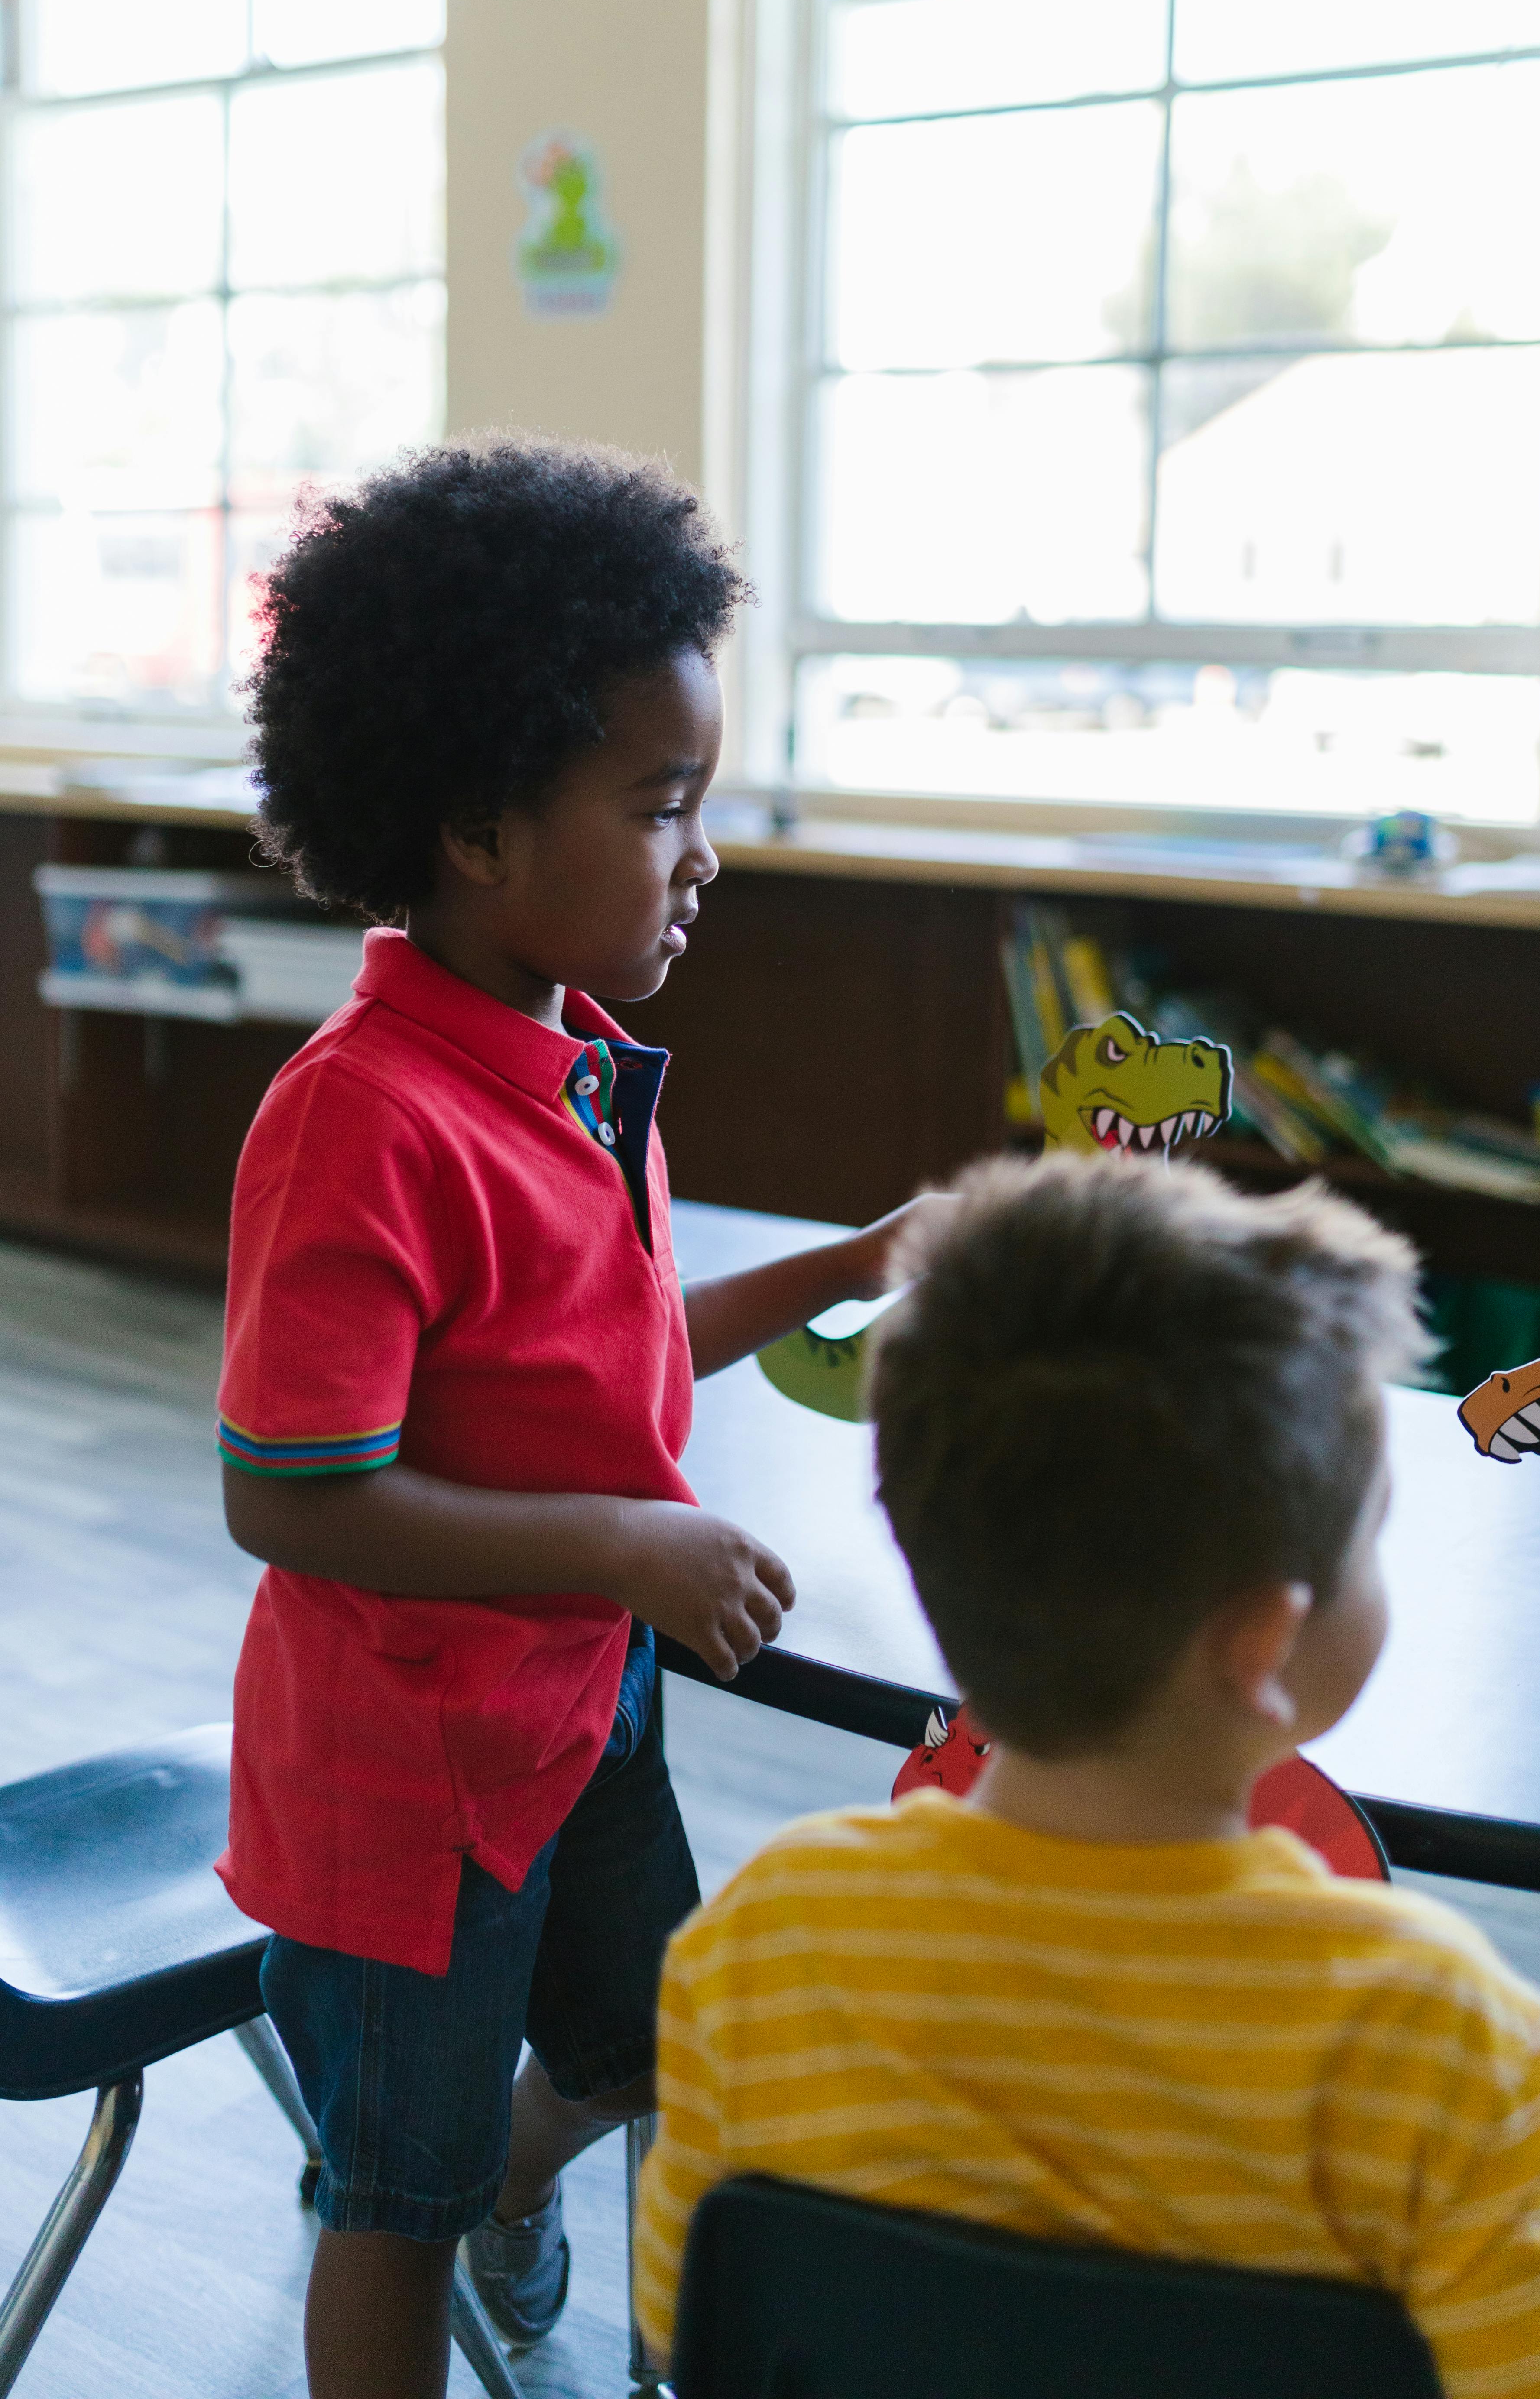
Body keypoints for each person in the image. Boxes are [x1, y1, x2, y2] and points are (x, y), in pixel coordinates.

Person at [217, 437, 940, 2399]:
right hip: (405, 1781)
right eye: (663, 804)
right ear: (477, 828)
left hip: (575, 1713)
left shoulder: (578, 1057)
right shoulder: (361, 1117)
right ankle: (453, 2207)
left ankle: (501, 2189)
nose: (705, 853)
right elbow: (296, 1496)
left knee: (651, 2044)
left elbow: (594, 1366)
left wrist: (849, 1258)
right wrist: (638, 1545)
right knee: (387, 2199)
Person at [635, 1156, 1540, 2399]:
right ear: (1265, 1649)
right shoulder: (1441, 2045)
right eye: (1374, 1534)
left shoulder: (760, 1947)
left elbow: (690, 2325)